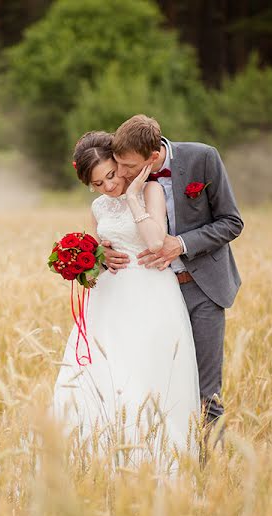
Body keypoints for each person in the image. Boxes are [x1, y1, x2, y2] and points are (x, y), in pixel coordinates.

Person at [51, 131, 201, 476]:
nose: (108, 187)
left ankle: (151, 463)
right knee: (102, 375)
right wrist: (94, 261)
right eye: (97, 182)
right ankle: (97, 462)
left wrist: (133, 196)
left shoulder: (149, 191)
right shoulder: (98, 206)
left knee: (144, 375)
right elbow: (99, 252)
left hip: (149, 295)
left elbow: (155, 241)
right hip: (107, 300)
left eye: (111, 175)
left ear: (121, 164)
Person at [108, 115, 244, 462]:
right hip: (151, 295)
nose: (121, 173)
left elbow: (232, 222)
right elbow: (109, 222)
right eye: (119, 164)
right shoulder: (124, 180)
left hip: (202, 290)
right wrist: (101, 251)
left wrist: (180, 244)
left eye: (128, 166)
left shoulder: (203, 158)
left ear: (153, 157)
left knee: (206, 389)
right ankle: (163, 461)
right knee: (155, 382)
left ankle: (211, 469)